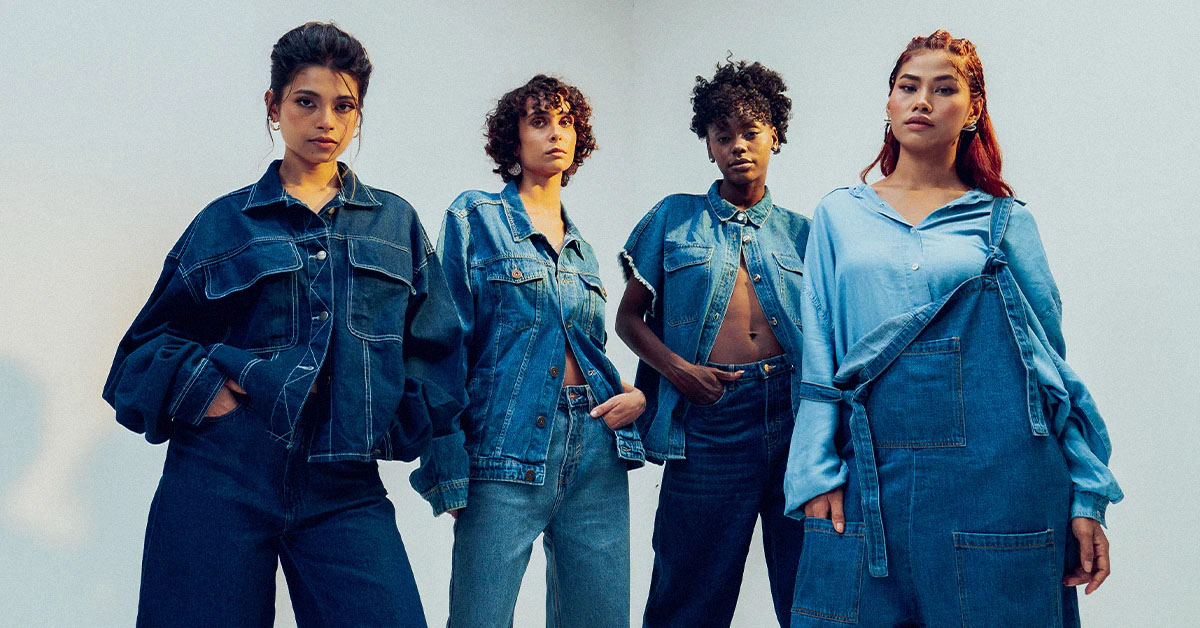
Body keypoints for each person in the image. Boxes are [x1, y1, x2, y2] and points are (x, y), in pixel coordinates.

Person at [101, 22, 464, 627]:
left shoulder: (394, 223)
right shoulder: (225, 224)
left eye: (343, 105)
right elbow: (140, 352)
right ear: (273, 106)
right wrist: (209, 393)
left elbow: (436, 351)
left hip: (345, 486)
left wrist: (421, 449)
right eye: (306, 101)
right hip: (221, 476)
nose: (326, 120)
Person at [784, 31, 1123, 627]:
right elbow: (819, 350)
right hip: (870, 477)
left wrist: (1086, 494)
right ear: (888, 104)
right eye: (908, 87)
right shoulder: (839, 216)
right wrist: (814, 471)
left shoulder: (1004, 222)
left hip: (1002, 487)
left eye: (944, 90)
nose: (922, 101)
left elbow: (1049, 372)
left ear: (972, 112)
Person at [439, 74, 647, 628]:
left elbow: (589, 347)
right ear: (513, 138)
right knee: (479, 617)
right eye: (539, 121)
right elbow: (446, 342)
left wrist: (634, 396)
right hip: (504, 448)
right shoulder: (474, 217)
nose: (556, 133)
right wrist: (446, 462)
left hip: (598, 449)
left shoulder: (583, 250)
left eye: (566, 122)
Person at [615, 60, 809, 628]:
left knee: (810, 589)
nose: (738, 147)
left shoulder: (804, 232)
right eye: (722, 136)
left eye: (751, 133)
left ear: (775, 134)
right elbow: (629, 320)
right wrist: (678, 372)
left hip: (795, 418)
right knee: (689, 590)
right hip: (710, 416)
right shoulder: (676, 217)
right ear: (708, 145)